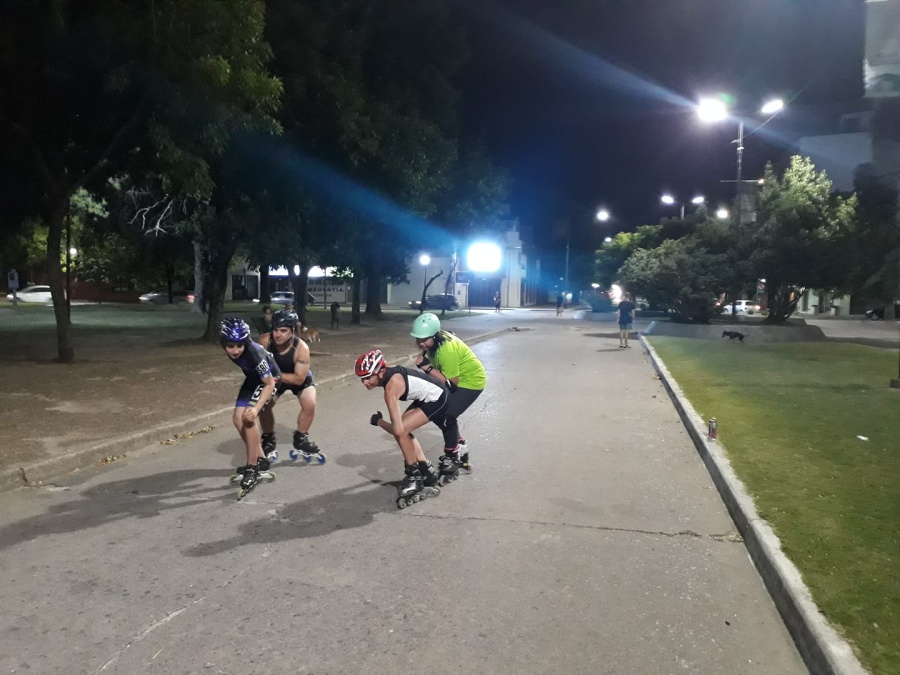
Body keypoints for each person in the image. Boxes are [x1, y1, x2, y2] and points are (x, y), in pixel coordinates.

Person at [355, 349, 445, 507]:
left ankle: (414, 476)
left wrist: (380, 422)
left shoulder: (391, 389)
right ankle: (426, 470)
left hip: (437, 398)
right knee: (404, 428)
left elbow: (398, 430)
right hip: (429, 395)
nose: (365, 382)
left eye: (368, 377)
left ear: (380, 372)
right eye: (362, 378)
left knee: (401, 432)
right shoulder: (387, 373)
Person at [410, 312, 486, 482]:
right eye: (418, 339)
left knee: (446, 415)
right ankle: (458, 442)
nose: (421, 343)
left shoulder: (446, 350)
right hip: (457, 380)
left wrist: (427, 368)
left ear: (435, 336)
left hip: (471, 381)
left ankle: (452, 455)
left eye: (424, 339)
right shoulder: (433, 345)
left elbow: (452, 384)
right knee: (432, 411)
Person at [220, 317, 281, 493]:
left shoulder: (254, 353)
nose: (235, 350)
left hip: (270, 380)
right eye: (230, 346)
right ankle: (261, 459)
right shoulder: (237, 349)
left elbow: (269, 383)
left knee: (248, 418)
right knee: (237, 419)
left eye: (239, 345)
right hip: (253, 379)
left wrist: (255, 409)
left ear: (246, 342)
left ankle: (252, 468)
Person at [257, 309, 324, 463]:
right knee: (263, 405)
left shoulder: (302, 348)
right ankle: (268, 439)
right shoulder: (264, 341)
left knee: (310, 403)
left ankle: (301, 438)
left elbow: (299, 379)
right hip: (275, 379)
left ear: (292, 331)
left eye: (283, 331)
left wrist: (274, 375)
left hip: (296, 376)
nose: (278, 335)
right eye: (275, 330)